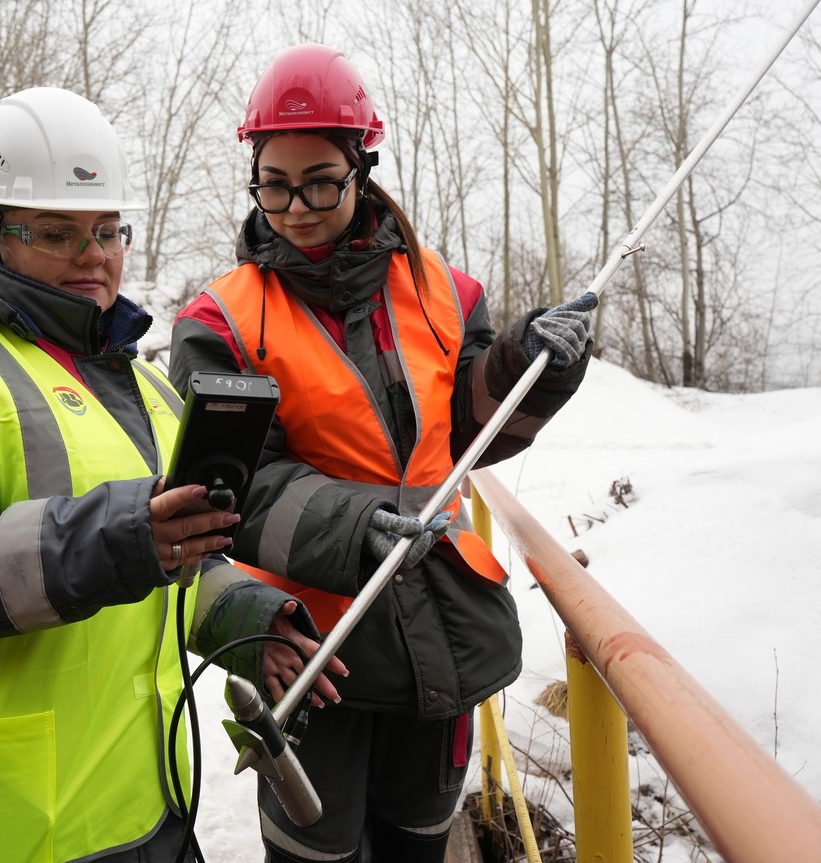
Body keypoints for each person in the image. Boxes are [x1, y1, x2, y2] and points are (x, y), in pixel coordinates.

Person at [0, 86, 344, 863]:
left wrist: (252, 620)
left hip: (138, 809)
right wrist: (127, 532)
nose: (95, 255)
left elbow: (175, 557)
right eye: (57, 231)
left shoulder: (141, 385)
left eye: (109, 230)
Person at [169, 45, 596, 863]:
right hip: (316, 653)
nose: (295, 205)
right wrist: (355, 522)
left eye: (320, 179)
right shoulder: (221, 321)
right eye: (274, 181)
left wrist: (533, 370)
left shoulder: (443, 290)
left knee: (417, 845)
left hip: (443, 638)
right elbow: (231, 487)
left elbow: (473, 426)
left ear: (362, 167)